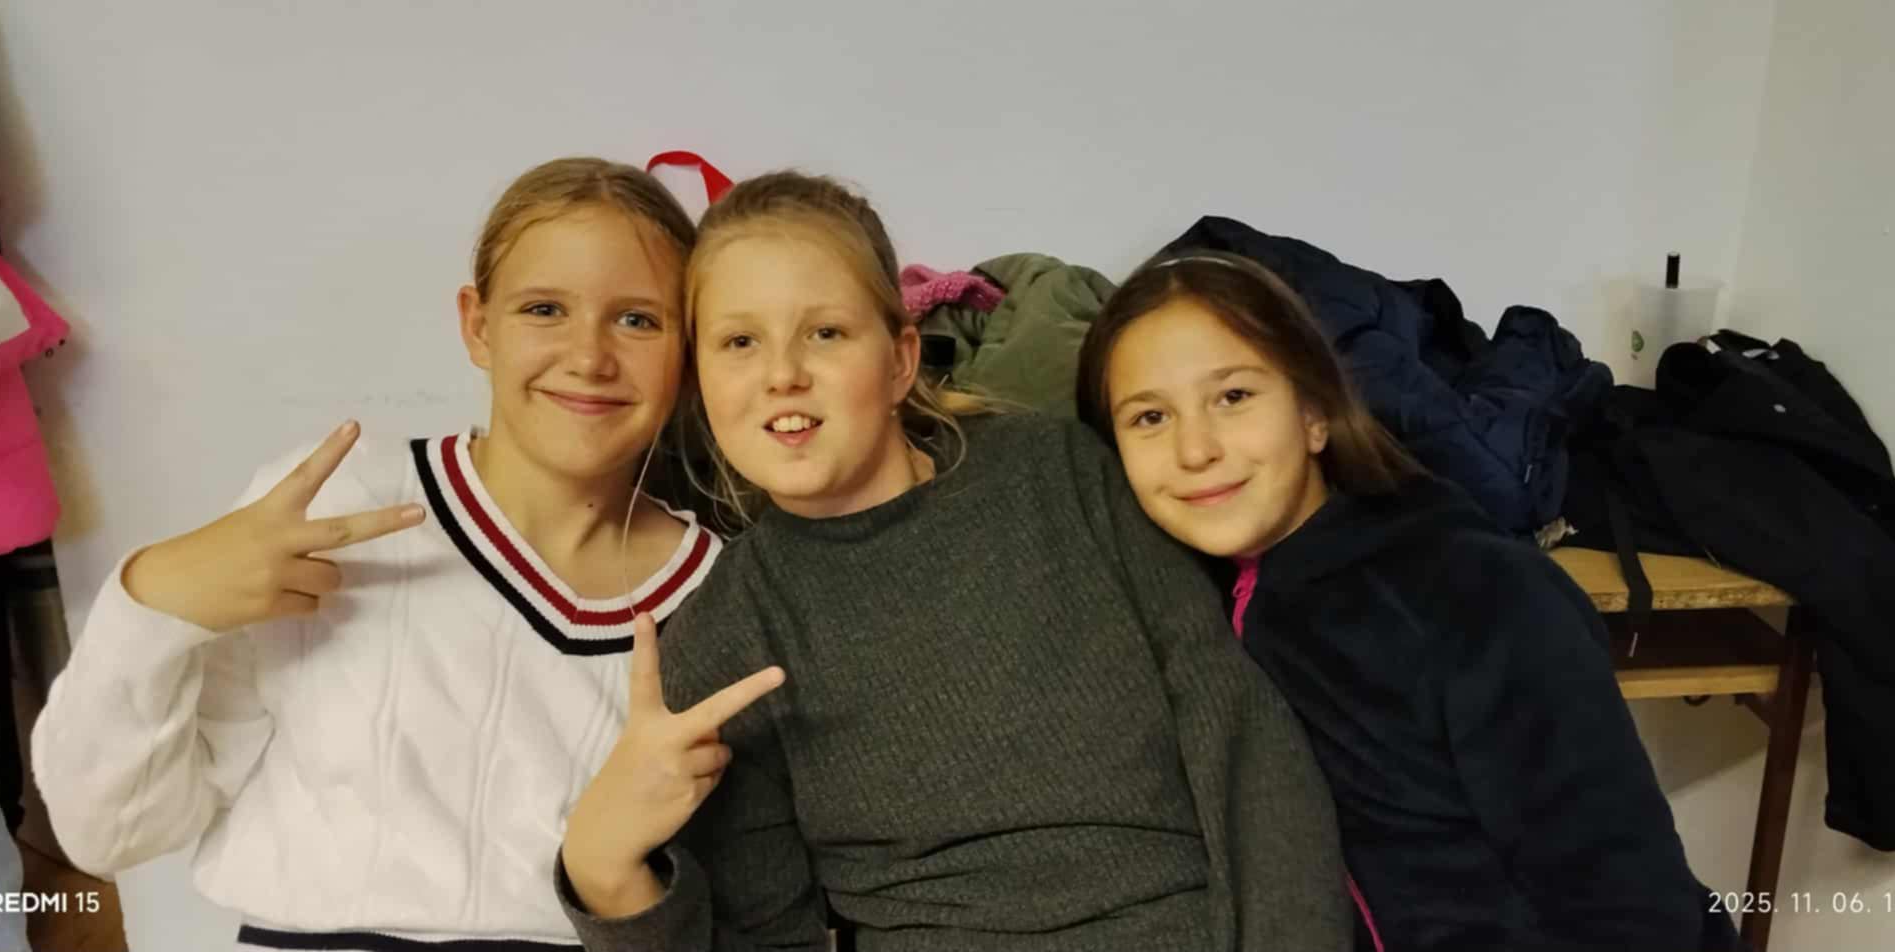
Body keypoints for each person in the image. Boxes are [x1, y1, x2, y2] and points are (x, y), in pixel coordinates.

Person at [555, 171, 1353, 952]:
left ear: (901, 360)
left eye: (825, 333)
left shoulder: (1060, 472)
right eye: (739, 342)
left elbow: (1240, 741)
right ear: (699, 382)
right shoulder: (724, 635)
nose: (782, 375)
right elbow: (766, 935)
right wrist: (604, 868)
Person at [30, 157, 722, 951]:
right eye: (544, 309)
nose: (590, 356)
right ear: (478, 326)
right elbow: (110, 835)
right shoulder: (334, 506)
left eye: (638, 320)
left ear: (689, 350)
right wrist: (151, 601)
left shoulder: (724, 591)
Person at [1074, 250, 1740, 951]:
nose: (1195, 449)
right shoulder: (1188, 591)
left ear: (1314, 413)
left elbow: (1628, 901)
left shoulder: (1476, 594)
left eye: (1233, 396)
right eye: (1150, 417)